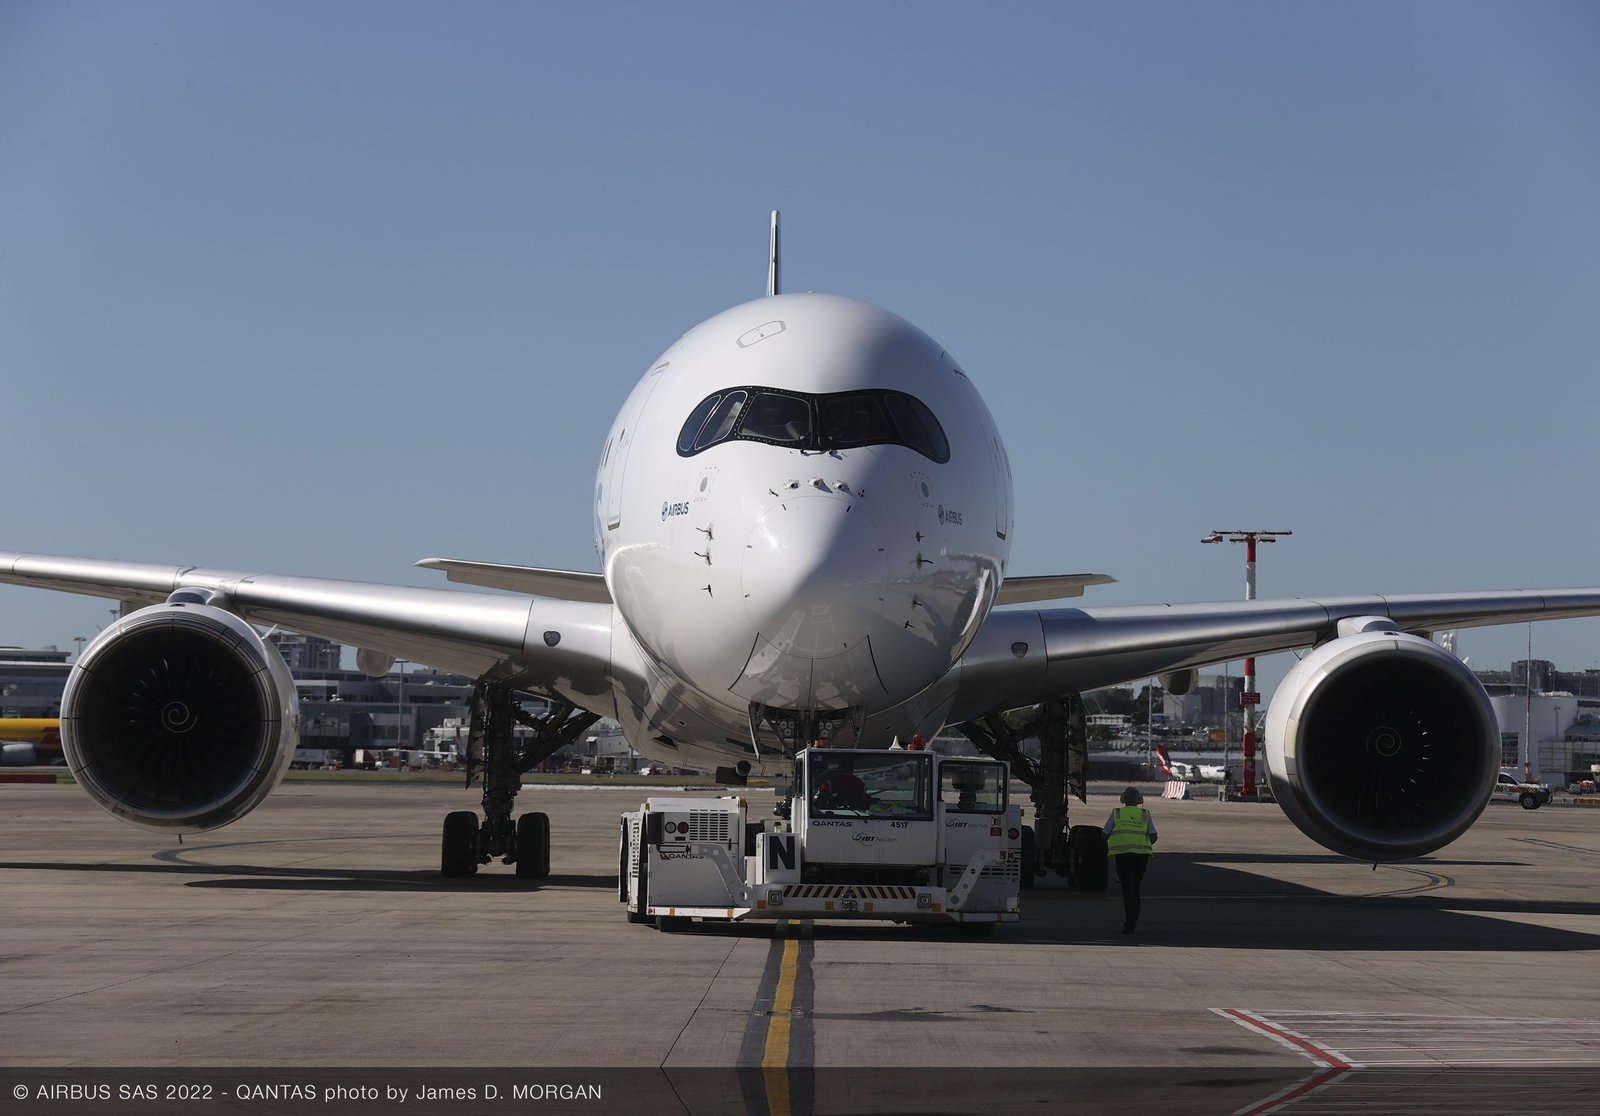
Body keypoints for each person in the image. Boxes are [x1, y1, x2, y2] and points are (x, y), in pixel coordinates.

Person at [1103, 786, 1157, 934]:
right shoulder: (1145, 814)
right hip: (1141, 856)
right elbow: (1153, 835)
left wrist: (1115, 842)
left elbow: (1104, 833)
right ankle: (1132, 922)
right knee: (1134, 889)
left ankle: (1130, 923)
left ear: (1123, 799)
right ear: (1140, 800)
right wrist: (1142, 844)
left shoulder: (1117, 813)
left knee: (1128, 890)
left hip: (1123, 856)